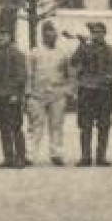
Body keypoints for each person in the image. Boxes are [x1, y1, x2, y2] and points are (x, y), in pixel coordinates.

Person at [69, 22, 112, 167]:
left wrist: (109, 79)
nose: (97, 35)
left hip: (104, 91)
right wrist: (81, 46)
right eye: (94, 32)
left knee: (104, 124)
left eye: (100, 32)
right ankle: (85, 157)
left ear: (104, 33)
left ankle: (101, 157)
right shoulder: (84, 49)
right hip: (86, 91)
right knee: (85, 124)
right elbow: (73, 62)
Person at [26, 20, 75, 166]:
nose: (50, 36)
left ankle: (56, 154)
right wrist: (28, 93)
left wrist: (69, 91)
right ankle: (29, 155)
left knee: (56, 125)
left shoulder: (64, 54)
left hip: (57, 94)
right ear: (42, 35)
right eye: (46, 34)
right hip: (37, 94)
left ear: (56, 36)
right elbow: (29, 73)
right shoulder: (34, 52)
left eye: (52, 33)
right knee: (35, 125)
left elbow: (70, 74)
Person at [0, 24, 29, 169]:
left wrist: (16, 94)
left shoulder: (16, 54)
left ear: (10, 37)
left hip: (11, 96)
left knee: (16, 127)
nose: (0, 37)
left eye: (3, 34)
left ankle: (21, 157)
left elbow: (21, 76)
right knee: (3, 128)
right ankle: (8, 158)